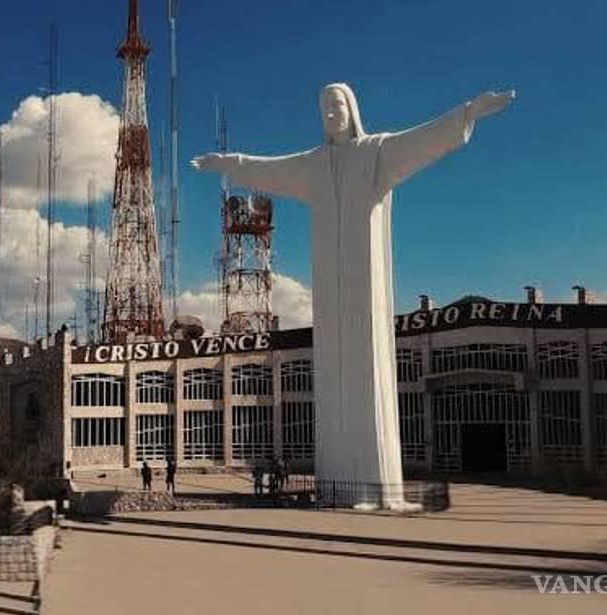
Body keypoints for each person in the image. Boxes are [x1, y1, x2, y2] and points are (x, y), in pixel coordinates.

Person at [193, 84, 512, 508]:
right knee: (333, 385)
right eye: (323, 106)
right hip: (330, 291)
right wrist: (228, 163)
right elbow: (268, 168)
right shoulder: (313, 165)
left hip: (365, 288)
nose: (330, 112)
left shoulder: (376, 152)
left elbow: (424, 137)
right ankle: (337, 488)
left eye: (337, 104)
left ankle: (374, 491)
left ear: (352, 109)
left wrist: (468, 112)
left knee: (366, 376)